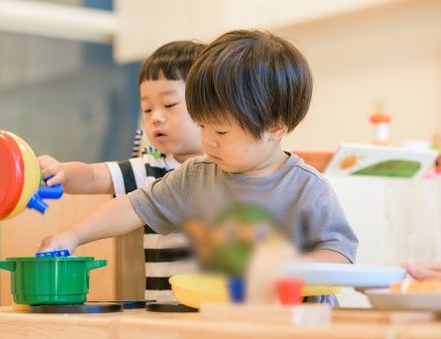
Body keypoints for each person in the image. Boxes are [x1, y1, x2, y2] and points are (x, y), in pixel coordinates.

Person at [39, 30, 359, 304]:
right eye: (202, 126)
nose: (208, 141)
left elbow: (340, 255)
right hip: (221, 320)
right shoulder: (197, 177)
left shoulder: (307, 188)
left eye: (220, 131)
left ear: (275, 126)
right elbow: (133, 207)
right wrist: (72, 235)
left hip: (298, 325)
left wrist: (288, 268)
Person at [38, 40, 205, 301]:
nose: (155, 117)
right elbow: (93, 176)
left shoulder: (231, 170)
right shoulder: (151, 168)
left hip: (221, 311)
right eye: (147, 109)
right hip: (162, 309)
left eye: (169, 105)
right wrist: (63, 173)